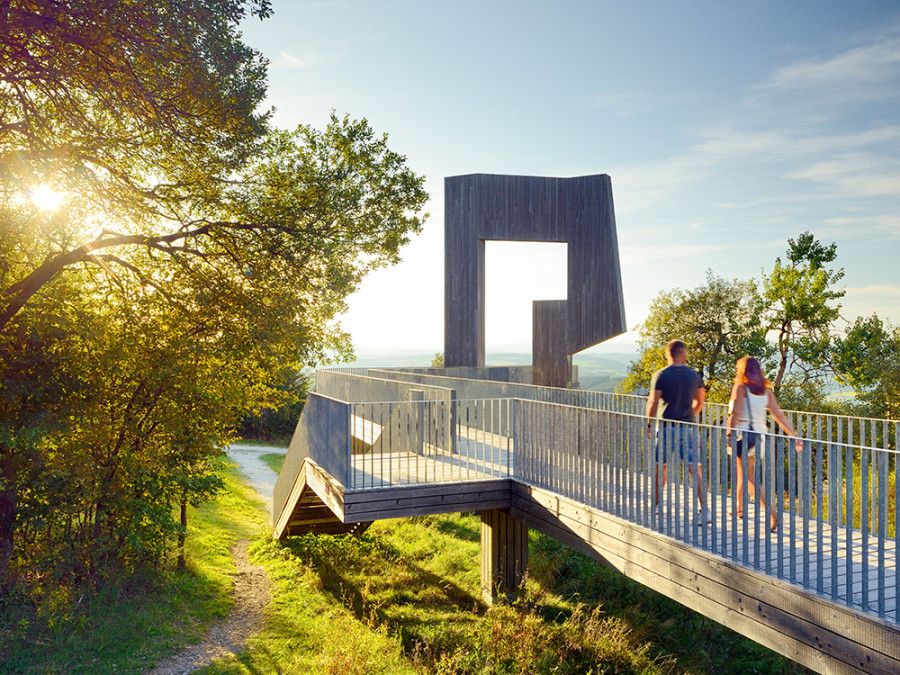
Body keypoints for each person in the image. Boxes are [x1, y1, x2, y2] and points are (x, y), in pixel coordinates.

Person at [726, 356, 803, 532]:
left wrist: (728, 433)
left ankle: (773, 514)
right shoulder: (766, 391)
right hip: (759, 437)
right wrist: (794, 435)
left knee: (749, 476)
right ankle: (739, 508)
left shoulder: (740, 388)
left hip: (743, 435)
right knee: (744, 471)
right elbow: (779, 416)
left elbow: (734, 414)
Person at [646, 339, 708, 525]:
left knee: (661, 466)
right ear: (684, 354)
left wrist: (649, 423)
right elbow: (701, 401)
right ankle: (705, 510)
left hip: (666, 426)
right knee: (693, 468)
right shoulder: (694, 376)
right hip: (688, 427)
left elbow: (654, 401)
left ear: (668, 354)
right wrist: (691, 414)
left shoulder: (661, 375)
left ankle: (656, 506)